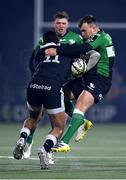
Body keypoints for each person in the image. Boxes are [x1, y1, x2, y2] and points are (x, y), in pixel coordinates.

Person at [24, 11, 92, 160]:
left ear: (67, 24)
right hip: (50, 79)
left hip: (70, 78)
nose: (61, 26)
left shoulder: (76, 38)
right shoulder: (46, 39)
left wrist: (80, 67)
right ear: (54, 24)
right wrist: (36, 74)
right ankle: (29, 141)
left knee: (72, 104)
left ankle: (78, 122)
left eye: (63, 23)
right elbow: (33, 59)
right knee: (39, 114)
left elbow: (85, 55)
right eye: (58, 23)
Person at [45, 15, 115, 152]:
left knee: (80, 104)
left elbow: (82, 49)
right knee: (61, 94)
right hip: (88, 78)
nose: (82, 34)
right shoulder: (100, 37)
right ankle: (82, 123)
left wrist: (56, 51)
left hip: (100, 80)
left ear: (93, 28)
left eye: (84, 31)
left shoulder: (101, 37)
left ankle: (64, 142)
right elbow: (85, 53)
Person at [13, 30, 77, 169]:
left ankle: (22, 138)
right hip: (52, 88)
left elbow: (34, 61)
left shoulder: (41, 53)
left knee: (33, 118)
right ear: (58, 42)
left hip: (33, 85)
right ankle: (45, 149)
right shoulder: (66, 51)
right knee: (59, 127)